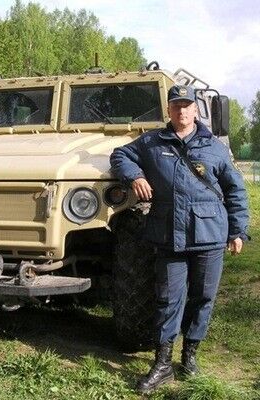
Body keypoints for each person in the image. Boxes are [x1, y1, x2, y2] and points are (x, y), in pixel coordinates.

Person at [110, 84, 249, 393]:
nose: (181, 110)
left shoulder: (214, 147)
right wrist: (135, 176)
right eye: (176, 105)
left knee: (203, 298)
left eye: (187, 105)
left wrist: (237, 231)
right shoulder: (151, 142)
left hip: (209, 235)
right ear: (169, 110)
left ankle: (190, 356)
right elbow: (120, 155)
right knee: (167, 299)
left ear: (195, 110)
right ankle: (162, 364)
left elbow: (235, 191)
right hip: (168, 235)